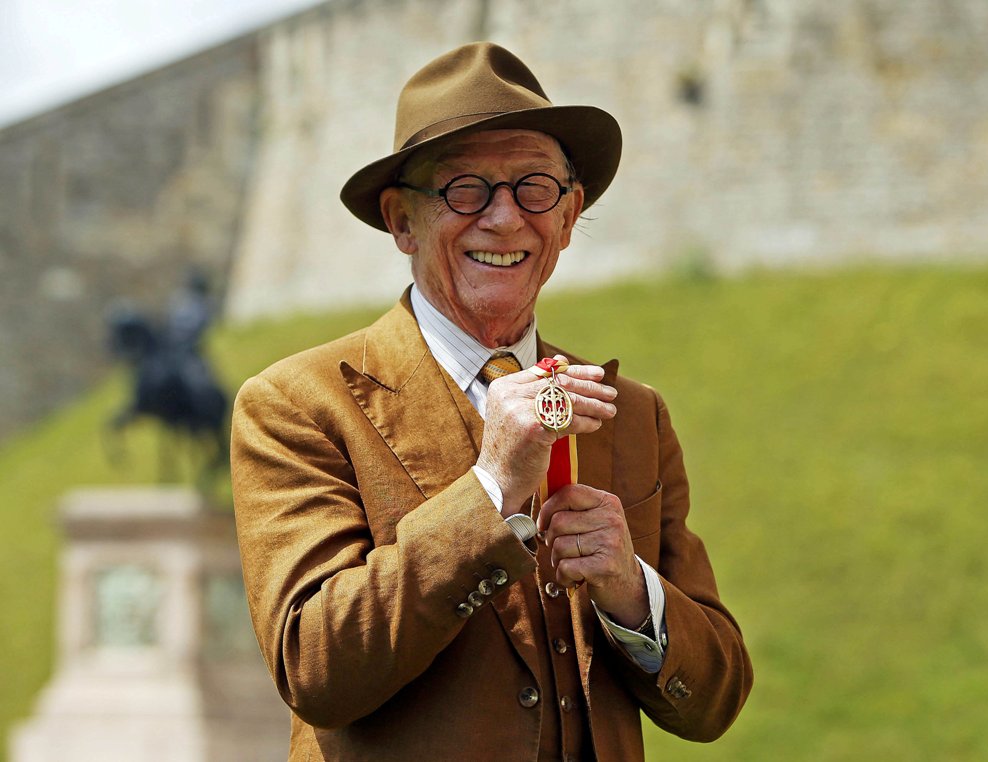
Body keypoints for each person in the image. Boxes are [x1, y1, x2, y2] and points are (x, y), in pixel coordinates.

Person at [231, 42, 752, 762]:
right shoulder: (296, 404)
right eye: (465, 189)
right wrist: (490, 492)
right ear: (401, 221)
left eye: (534, 187)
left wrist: (632, 591)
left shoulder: (632, 414)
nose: (505, 219)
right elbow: (313, 668)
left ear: (568, 216)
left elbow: (715, 702)